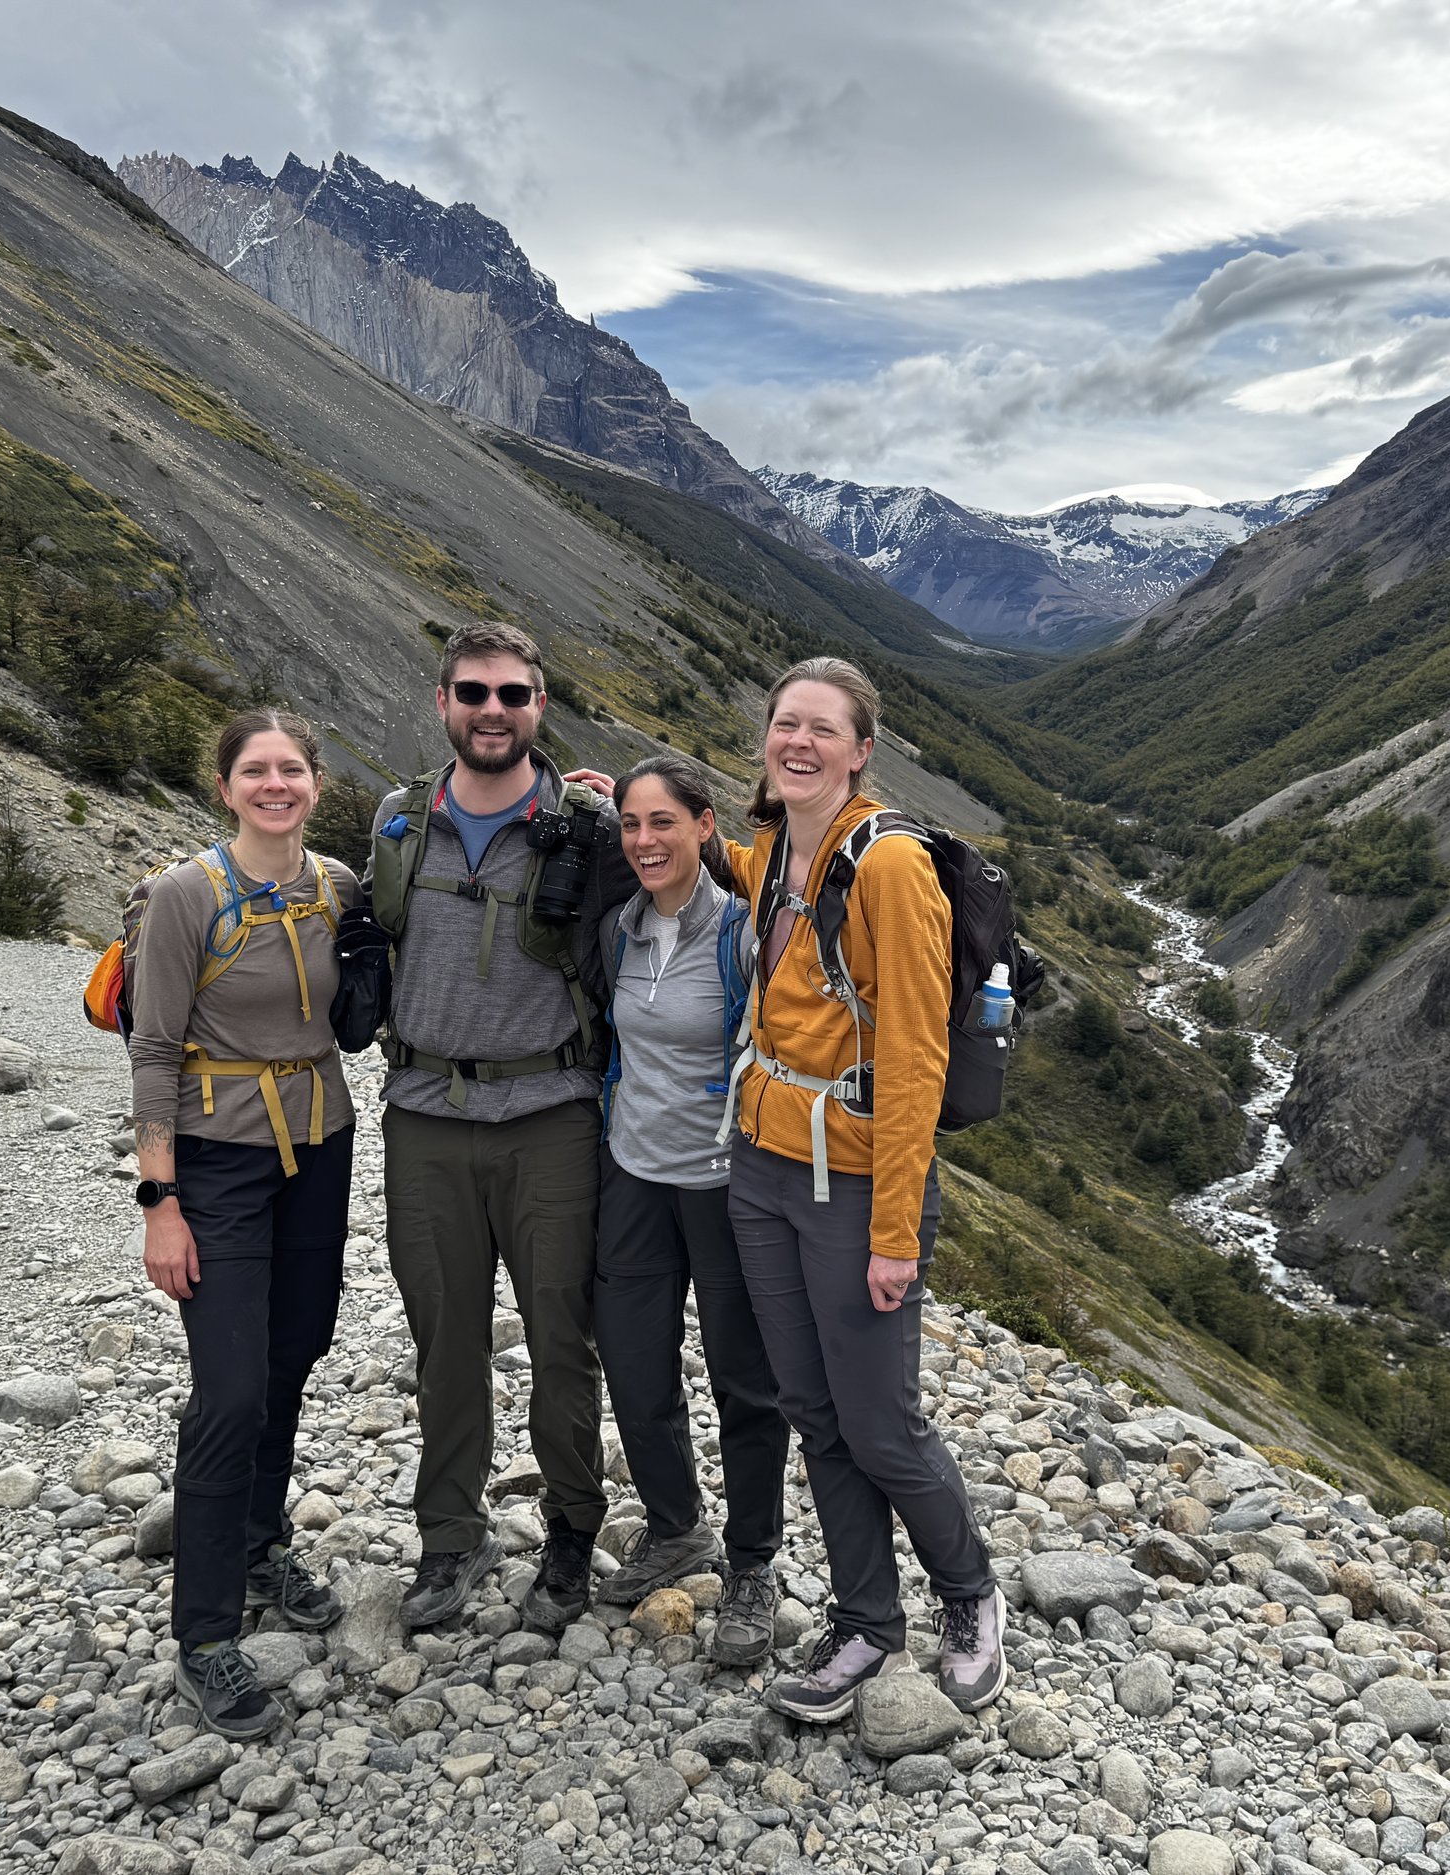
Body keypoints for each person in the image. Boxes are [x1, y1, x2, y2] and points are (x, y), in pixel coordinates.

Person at [724, 656, 1005, 1721]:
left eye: (820, 730)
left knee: (878, 1420)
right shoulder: (770, 855)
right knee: (811, 1407)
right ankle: (863, 1624)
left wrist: (896, 1230)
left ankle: (970, 1594)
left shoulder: (888, 868)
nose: (796, 742)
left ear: (860, 750)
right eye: (783, 723)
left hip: (850, 1185)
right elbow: (737, 885)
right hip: (761, 1165)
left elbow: (916, 1060)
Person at [366, 621, 629, 1637]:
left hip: (551, 1117)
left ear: (538, 708)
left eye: (512, 695)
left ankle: (571, 1530)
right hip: (424, 1114)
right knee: (443, 1340)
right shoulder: (396, 824)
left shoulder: (587, 829)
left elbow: (685, 890)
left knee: (563, 1338)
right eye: (472, 693)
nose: (491, 711)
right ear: (442, 703)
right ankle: (449, 1535)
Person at [130, 708, 384, 1740]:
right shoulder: (184, 895)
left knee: (292, 1355)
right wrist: (159, 1202)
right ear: (226, 786)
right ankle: (202, 1637)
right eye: (255, 770)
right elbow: (151, 1049)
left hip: (319, 1146)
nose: (275, 784)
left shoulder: (337, 889)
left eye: (292, 770)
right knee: (229, 1391)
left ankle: (255, 1540)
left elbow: (351, 1017)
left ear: (315, 785)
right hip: (220, 1160)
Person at [592, 755, 790, 1667]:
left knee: (744, 1377)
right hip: (633, 1172)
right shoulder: (618, 930)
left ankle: (753, 1561)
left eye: (664, 822)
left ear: (708, 827)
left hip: (724, 1180)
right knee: (633, 1361)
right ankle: (675, 1525)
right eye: (631, 824)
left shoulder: (744, 931)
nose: (644, 842)